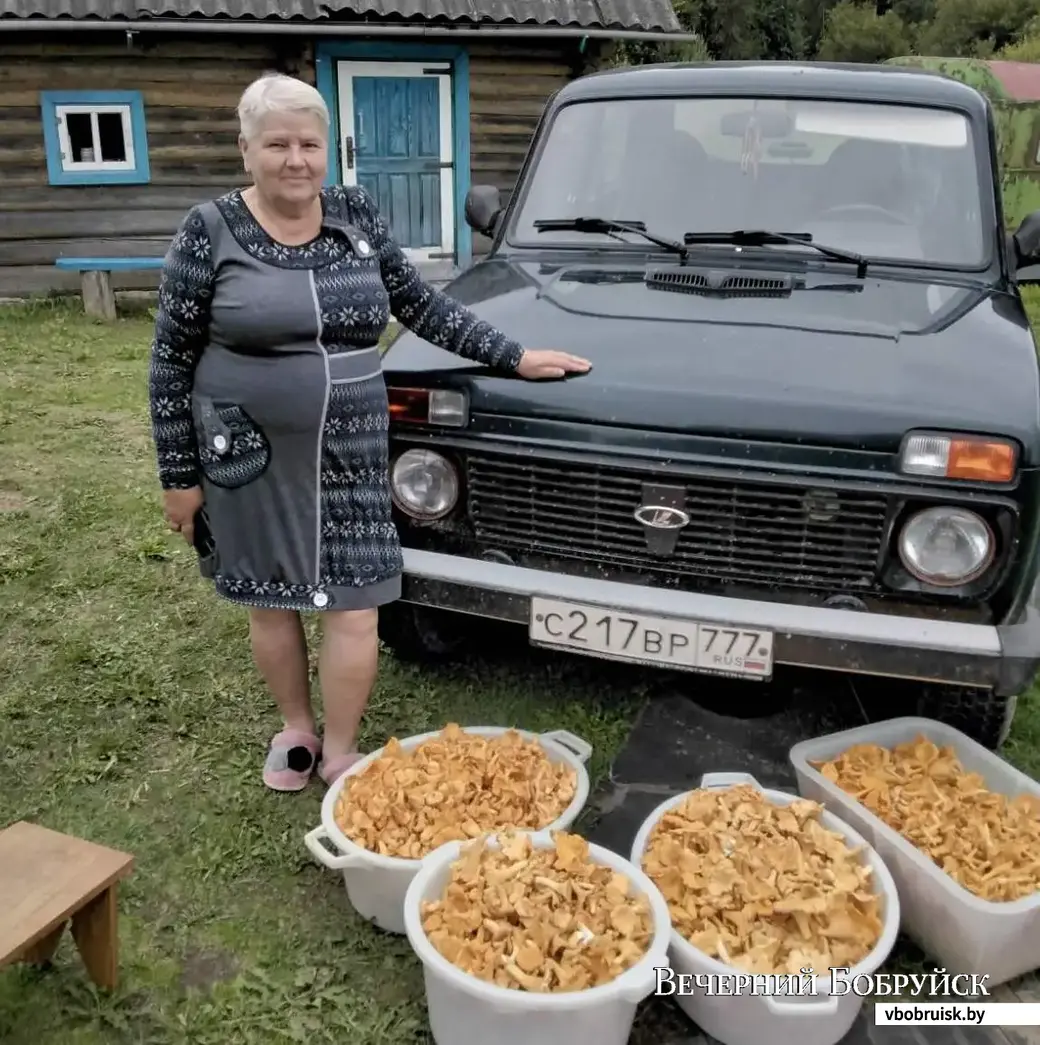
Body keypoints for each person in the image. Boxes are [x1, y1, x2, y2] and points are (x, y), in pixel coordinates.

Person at [148, 73, 590, 793]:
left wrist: (515, 354)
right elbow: (170, 359)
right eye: (277, 144)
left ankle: (342, 749)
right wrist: (178, 474)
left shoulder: (354, 213)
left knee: (356, 598)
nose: (295, 159)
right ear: (246, 149)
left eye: (309, 143)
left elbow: (418, 303)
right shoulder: (211, 230)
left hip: (350, 447)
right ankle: (295, 726)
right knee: (272, 592)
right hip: (247, 446)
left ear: (328, 150)